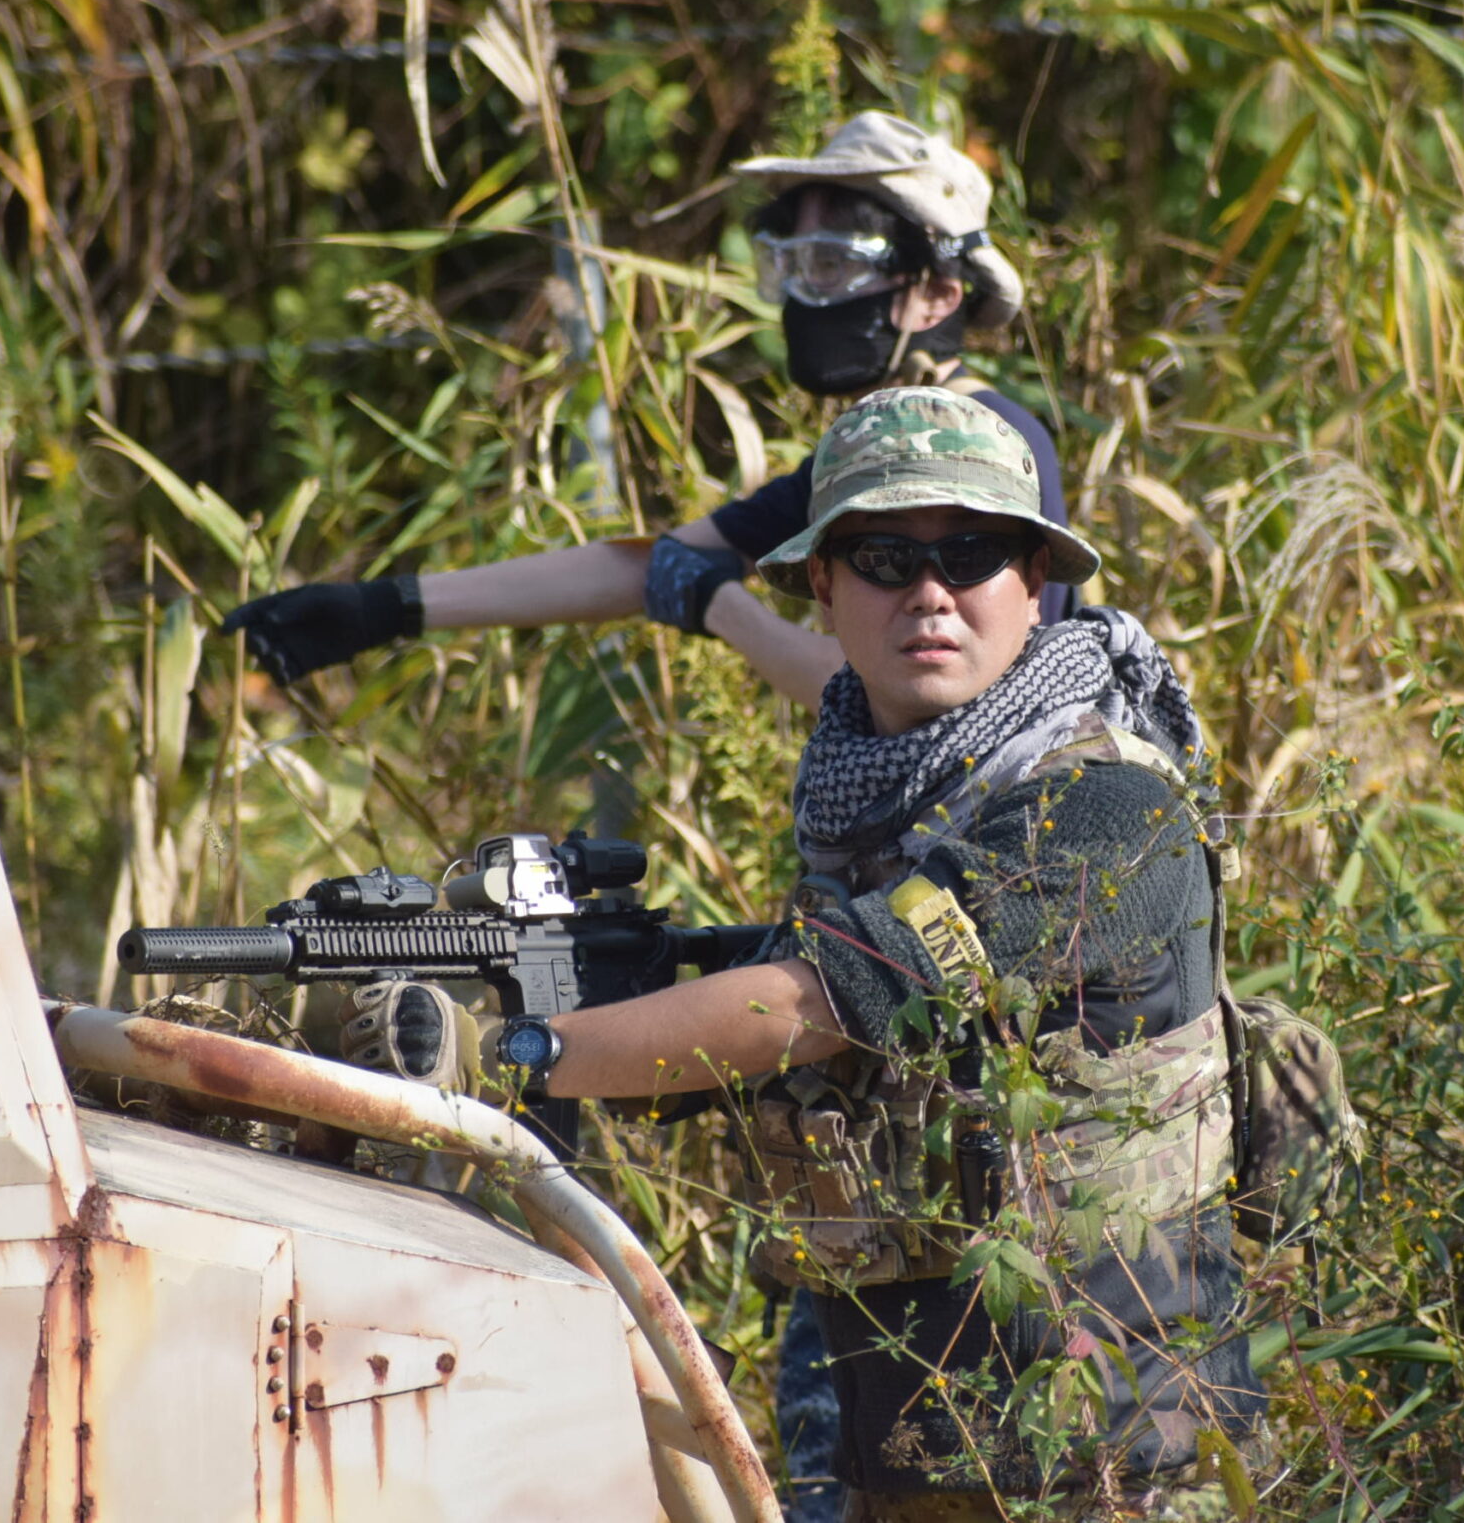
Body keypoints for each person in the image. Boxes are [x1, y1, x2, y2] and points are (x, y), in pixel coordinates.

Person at [374, 388, 1265, 1518]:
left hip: (1117, 1457)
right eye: (885, 558)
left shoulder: (1103, 803)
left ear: (1034, 578)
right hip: (911, 1445)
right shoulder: (873, 811)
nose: (930, 591)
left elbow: (829, 999)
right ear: (823, 588)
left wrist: (510, 1053)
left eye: (972, 554)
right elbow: (776, 1043)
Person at [222, 112, 1074, 710]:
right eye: (791, 267)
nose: (806, 298)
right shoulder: (863, 457)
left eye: (834, 265)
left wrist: (723, 608)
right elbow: (652, 566)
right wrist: (385, 607)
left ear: (937, 294)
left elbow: (873, 688)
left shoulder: (993, 450)